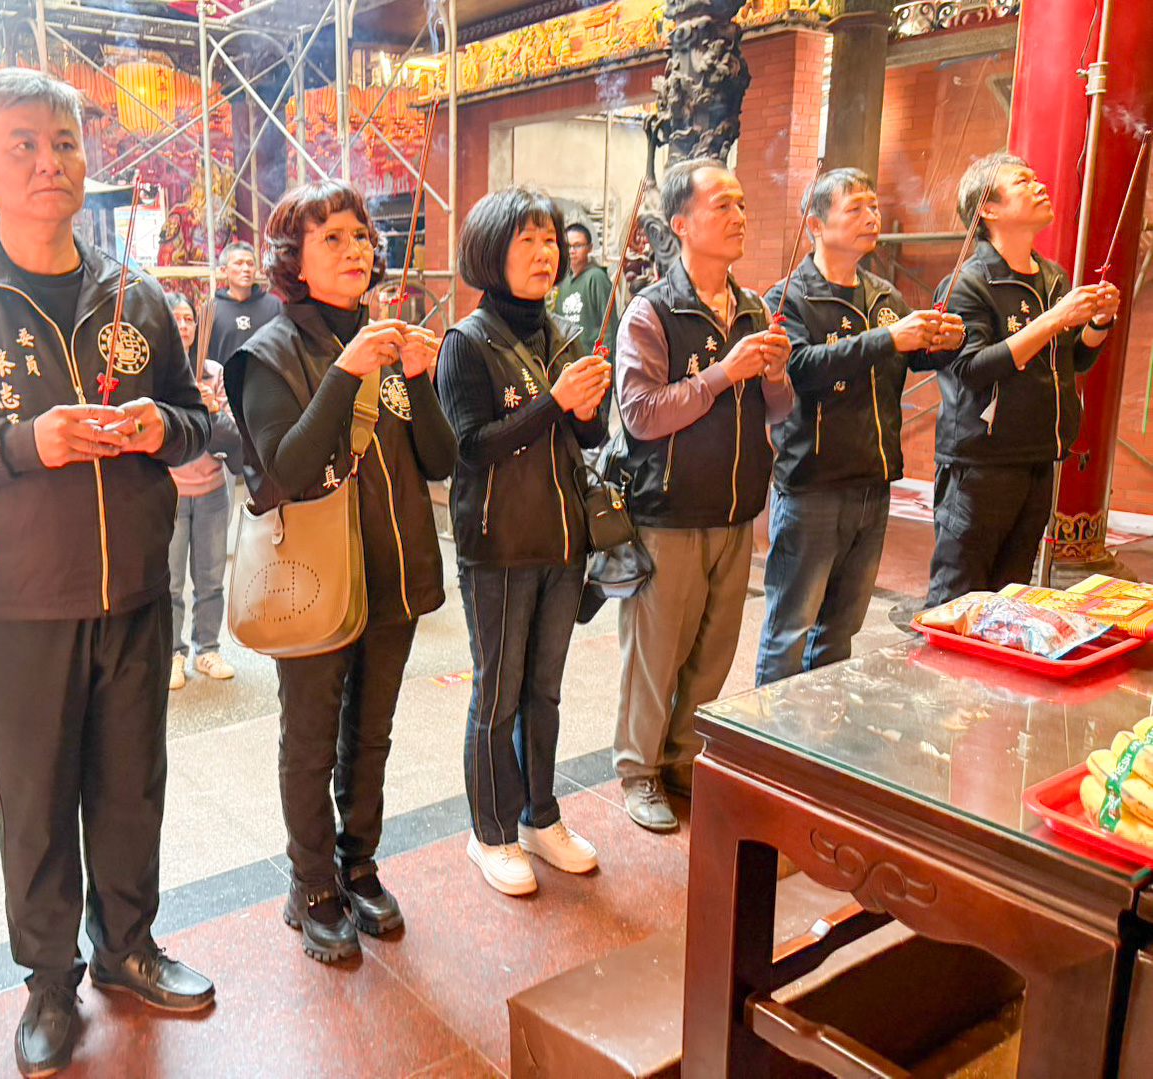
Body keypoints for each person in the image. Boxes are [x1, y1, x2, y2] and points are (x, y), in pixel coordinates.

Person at [0, 69, 214, 1077]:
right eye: (22, 144)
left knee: (131, 787)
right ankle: (50, 981)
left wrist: (162, 427)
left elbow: (196, 420)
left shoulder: (135, 292)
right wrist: (25, 443)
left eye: (63, 141)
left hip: (135, 588)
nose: (49, 161)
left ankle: (128, 946)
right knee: (35, 799)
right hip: (13, 599)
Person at [224, 179, 456, 962]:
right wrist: (344, 373)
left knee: (371, 732)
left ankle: (359, 864)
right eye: (331, 237)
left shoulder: (389, 345)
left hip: (393, 571)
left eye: (360, 235)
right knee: (310, 739)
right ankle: (311, 883)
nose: (354, 248)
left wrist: (416, 376)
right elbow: (286, 469)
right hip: (314, 578)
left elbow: (439, 459)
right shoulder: (266, 353)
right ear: (292, 259)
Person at [435, 186, 611, 896]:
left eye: (551, 242)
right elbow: (471, 446)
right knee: (498, 696)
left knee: (545, 692)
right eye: (527, 242)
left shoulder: (562, 333)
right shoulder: (466, 342)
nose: (546, 255)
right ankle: (491, 832)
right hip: (499, 546)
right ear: (490, 253)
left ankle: (542, 816)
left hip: (564, 541)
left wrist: (588, 407)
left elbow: (587, 436)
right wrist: (554, 401)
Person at [610, 157, 794, 833]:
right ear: (681, 224)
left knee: (713, 652)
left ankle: (685, 760)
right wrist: (723, 372)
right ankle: (638, 769)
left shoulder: (753, 310)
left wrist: (774, 374)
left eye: (742, 204)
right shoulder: (651, 311)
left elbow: (778, 410)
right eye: (723, 206)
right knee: (654, 656)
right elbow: (641, 414)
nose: (739, 216)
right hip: (669, 513)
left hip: (735, 510)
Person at [756, 168, 965, 686]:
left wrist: (943, 341)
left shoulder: (883, 295)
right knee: (790, 630)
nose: (871, 217)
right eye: (855, 209)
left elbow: (910, 357)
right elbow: (800, 367)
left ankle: (821, 724)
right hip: (812, 486)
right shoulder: (789, 297)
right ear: (815, 225)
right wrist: (889, 338)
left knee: (841, 630)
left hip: (873, 482)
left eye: (873, 206)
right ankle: (769, 730)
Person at [925, 152, 1120, 607]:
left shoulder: (1052, 277)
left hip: (1038, 458)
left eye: (1036, 176)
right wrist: (1054, 319)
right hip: (981, 465)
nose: (1040, 185)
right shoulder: (967, 283)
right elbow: (971, 369)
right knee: (959, 600)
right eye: (1022, 181)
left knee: (1010, 600)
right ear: (988, 209)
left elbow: (1073, 361)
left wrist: (1098, 323)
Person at [166, 291, 239, 686]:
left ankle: (207, 649)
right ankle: (172, 653)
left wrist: (211, 409)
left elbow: (231, 435)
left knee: (210, 579)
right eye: (176, 318)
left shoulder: (213, 371)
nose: (184, 326)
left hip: (212, 490)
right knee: (171, 582)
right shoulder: (159, 371)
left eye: (189, 319)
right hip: (171, 492)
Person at [206, 241, 283, 366]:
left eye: (250, 264)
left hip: (267, 377)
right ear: (224, 270)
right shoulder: (211, 309)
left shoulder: (274, 306)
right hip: (225, 378)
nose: (246, 269)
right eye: (239, 263)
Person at [549, 222, 616, 357]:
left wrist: (604, 361)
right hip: (569, 360)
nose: (572, 251)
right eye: (568, 246)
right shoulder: (563, 282)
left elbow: (609, 327)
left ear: (590, 248)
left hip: (592, 359)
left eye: (578, 245)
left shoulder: (596, 278)